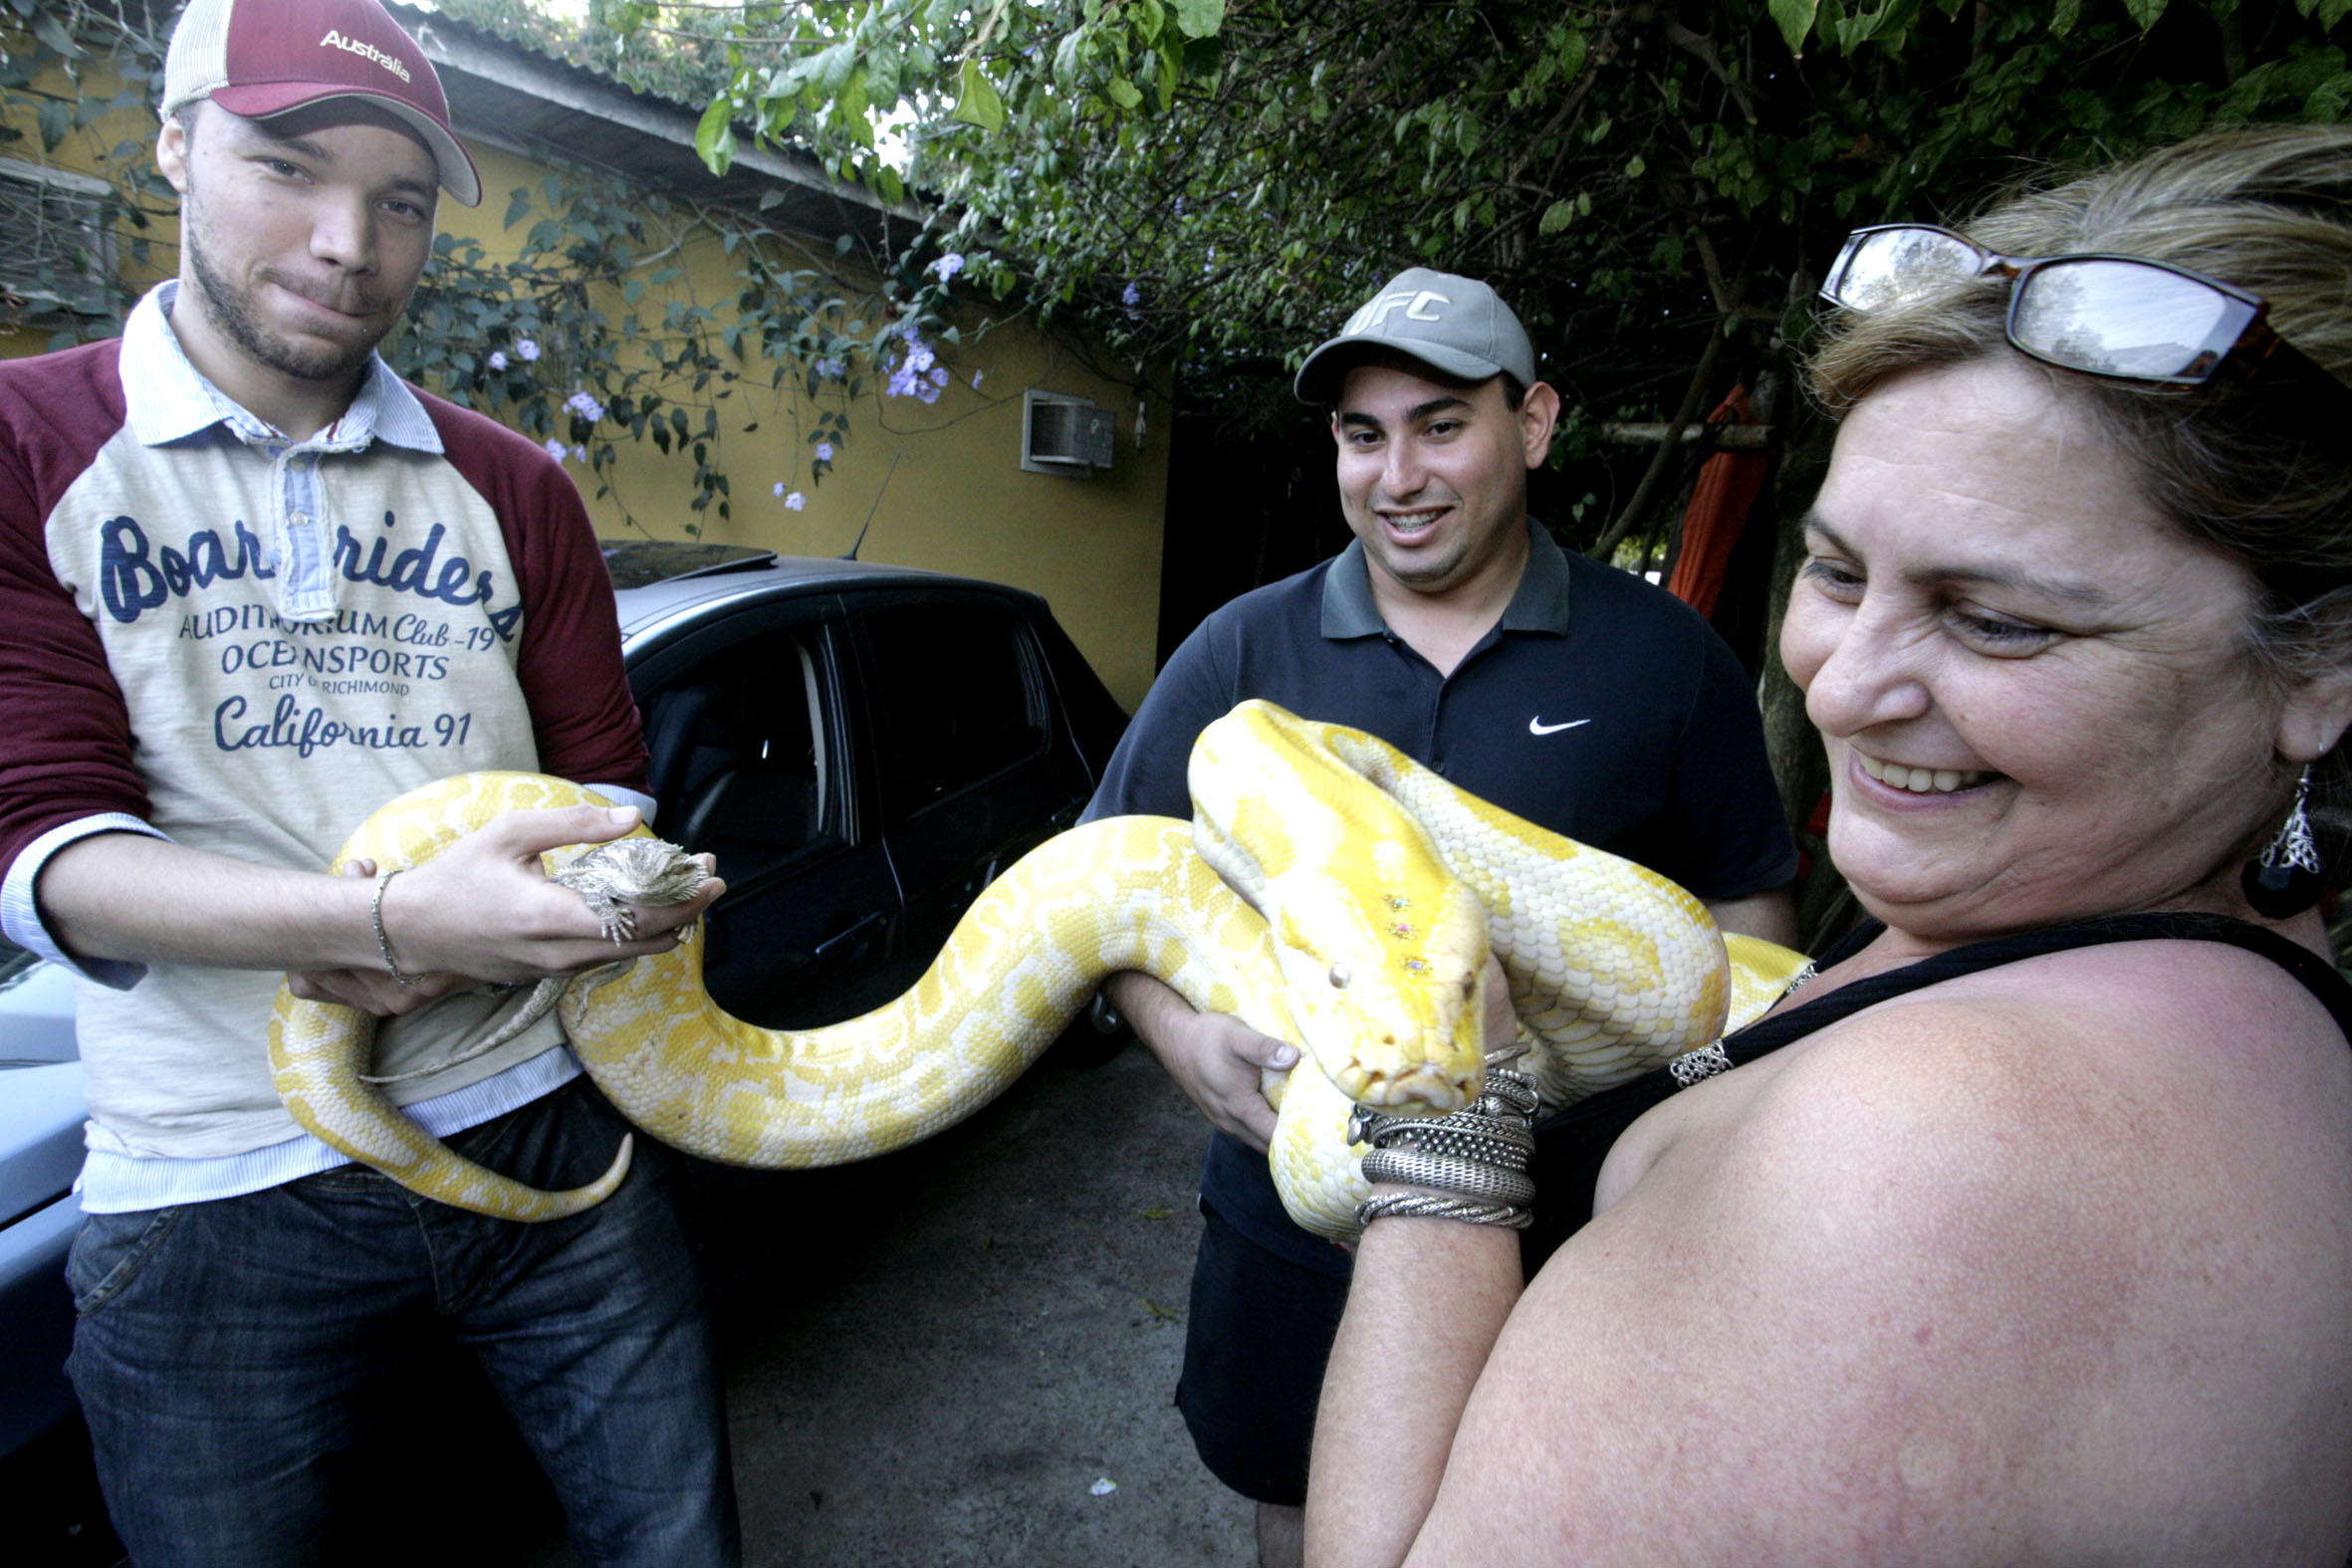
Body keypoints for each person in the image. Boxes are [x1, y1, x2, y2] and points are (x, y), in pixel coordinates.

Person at [1302, 125, 2352, 1566]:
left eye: (2000, 620)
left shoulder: (1936, 1148)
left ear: (2322, 665)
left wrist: (1442, 1127)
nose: (1839, 686)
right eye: (1836, 572)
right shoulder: (2235, 996)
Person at [0, 0, 739, 1560]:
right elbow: (48, 846)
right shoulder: (27, 444)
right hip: (212, 1182)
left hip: (549, 1116)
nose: (348, 244)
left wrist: (634, 897)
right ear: (178, 143)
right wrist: (398, 921)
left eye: (400, 203)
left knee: (678, 1543)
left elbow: (612, 796)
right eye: (287, 167)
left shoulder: (516, 486)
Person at [1084, 267, 1799, 1565]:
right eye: (1363, 436)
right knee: (1298, 1500)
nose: (1396, 474)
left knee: (1565, 1517)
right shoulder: (1240, 655)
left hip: (1589, 1216)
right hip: (1295, 1208)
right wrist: (1186, 1048)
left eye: (1438, 425)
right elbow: (1107, 896)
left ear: (1530, 424)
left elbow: (1746, 919)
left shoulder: (1662, 656)